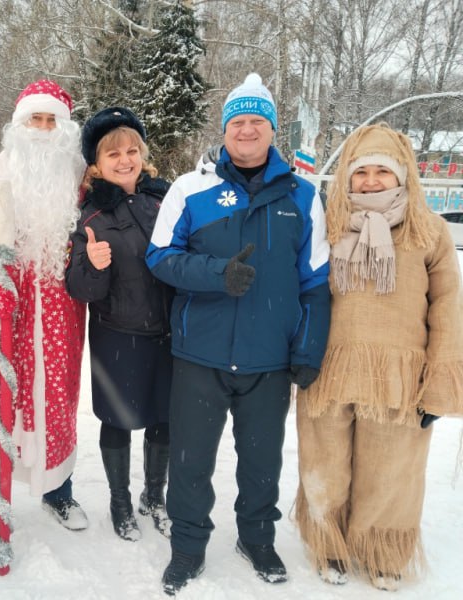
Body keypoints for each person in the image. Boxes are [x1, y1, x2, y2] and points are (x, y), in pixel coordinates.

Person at [145, 73, 331, 595]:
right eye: (237, 122)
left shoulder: (302, 196)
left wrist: (308, 348)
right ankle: (187, 545)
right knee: (190, 460)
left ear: (272, 130)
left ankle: (256, 536)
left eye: (257, 121)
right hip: (200, 354)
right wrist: (215, 275)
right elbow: (159, 257)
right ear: (224, 129)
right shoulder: (191, 188)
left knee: (262, 461)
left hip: (268, 359)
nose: (247, 130)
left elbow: (317, 281)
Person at [294, 123, 463, 591]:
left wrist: (440, 386)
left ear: (402, 175)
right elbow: (299, 292)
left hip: (399, 377)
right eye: (360, 171)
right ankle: (329, 544)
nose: (370, 181)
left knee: (390, 470)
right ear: (346, 177)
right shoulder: (325, 224)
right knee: (323, 464)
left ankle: (381, 550)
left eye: (381, 173)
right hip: (327, 368)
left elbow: (449, 311)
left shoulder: (428, 232)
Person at [0, 79, 88, 540]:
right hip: (10, 307)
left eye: (50, 120)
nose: (41, 128)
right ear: (17, 125)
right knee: (4, 397)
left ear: (63, 127)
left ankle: (59, 490)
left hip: (61, 310)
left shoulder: (79, 176)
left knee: (57, 397)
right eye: (33, 119)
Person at [65, 107, 173, 542]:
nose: (125, 160)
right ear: (96, 164)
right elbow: (81, 290)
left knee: (164, 419)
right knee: (118, 420)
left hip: (167, 332)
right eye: (113, 154)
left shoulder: (166, 201)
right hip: (118, 333)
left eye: (132, 150)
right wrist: (91, 265)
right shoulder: (90, 217)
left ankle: (154, 496)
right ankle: (120, 501)